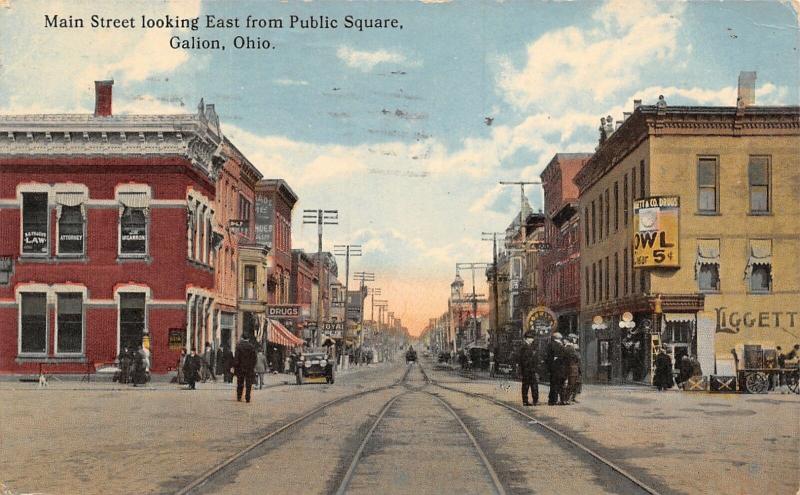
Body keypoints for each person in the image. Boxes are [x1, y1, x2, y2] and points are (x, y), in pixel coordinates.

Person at [233, 336, 258, 402]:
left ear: (242, 338)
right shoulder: (251, 347)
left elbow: (236, 358)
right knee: (248, 384)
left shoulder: (238, 347)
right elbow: (254, 358)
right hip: (249, 368)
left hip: (240, 368)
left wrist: (235, 367)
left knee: (240, 383)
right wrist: (252, 366)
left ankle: (239, 396)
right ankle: (247, 397)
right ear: (248, 339)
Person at [518, 332, 539, 406]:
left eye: (532, 338)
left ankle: (534, 400)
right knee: (526, 386)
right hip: (527, 369)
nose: (532, 339)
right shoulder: (523, 346)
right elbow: (522, 359)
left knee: (533, 385)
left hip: (531, 369)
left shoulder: (531, 346)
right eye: (531, 338)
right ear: (527, 338)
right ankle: (526, 401)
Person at [546, 333, 567, 405]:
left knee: (554, 385)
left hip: (554, 369)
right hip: (560, 369)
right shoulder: (559, 346)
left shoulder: (550, 345)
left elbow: (548, 358)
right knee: (560, 385)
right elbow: (563, 357)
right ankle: (561, 400)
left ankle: (553, 400)